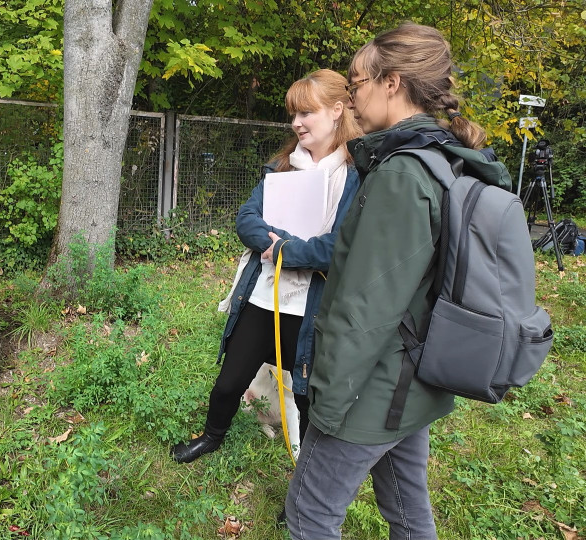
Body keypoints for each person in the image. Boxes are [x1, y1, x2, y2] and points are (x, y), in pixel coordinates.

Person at [284, 23, 512, 539]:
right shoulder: (447, 160)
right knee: (407, 510)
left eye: (357, 83)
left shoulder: (403, 174)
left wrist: (326, 401)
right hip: (416, 378)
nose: (353, 97)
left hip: (373, 385)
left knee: (310, 517)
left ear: (392, 83)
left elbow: (365, 307)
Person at [170, 69, 363, 464]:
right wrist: (276, 244)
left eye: (306, 112)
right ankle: (212, 436)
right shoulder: (282, 166)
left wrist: (284, 251)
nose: (296, 122)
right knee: (228, 383)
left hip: (314, 310)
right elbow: (247, 218)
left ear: (338, 110)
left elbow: (342, 246)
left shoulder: (357, 175)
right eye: (293, 113)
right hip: (263, 297)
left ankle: (306, 484)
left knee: (309, 401)